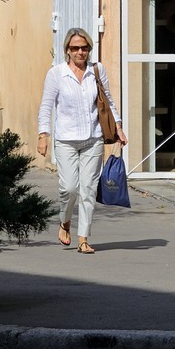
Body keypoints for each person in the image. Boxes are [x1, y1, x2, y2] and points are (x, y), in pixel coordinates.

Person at [37, 27, 127, 254]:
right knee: (69, 188)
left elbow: (108, 102)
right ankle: (64, 222)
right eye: (75, 48)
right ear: (67, 49)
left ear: (89, 49)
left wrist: (118, 127)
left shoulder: (96, 71)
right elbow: (46, 106)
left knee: (87, 189)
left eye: (84, 48)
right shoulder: (56, 74)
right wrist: (43, 135)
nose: (80, 52)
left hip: (93, 138)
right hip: (66, 140)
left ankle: (83, 238)